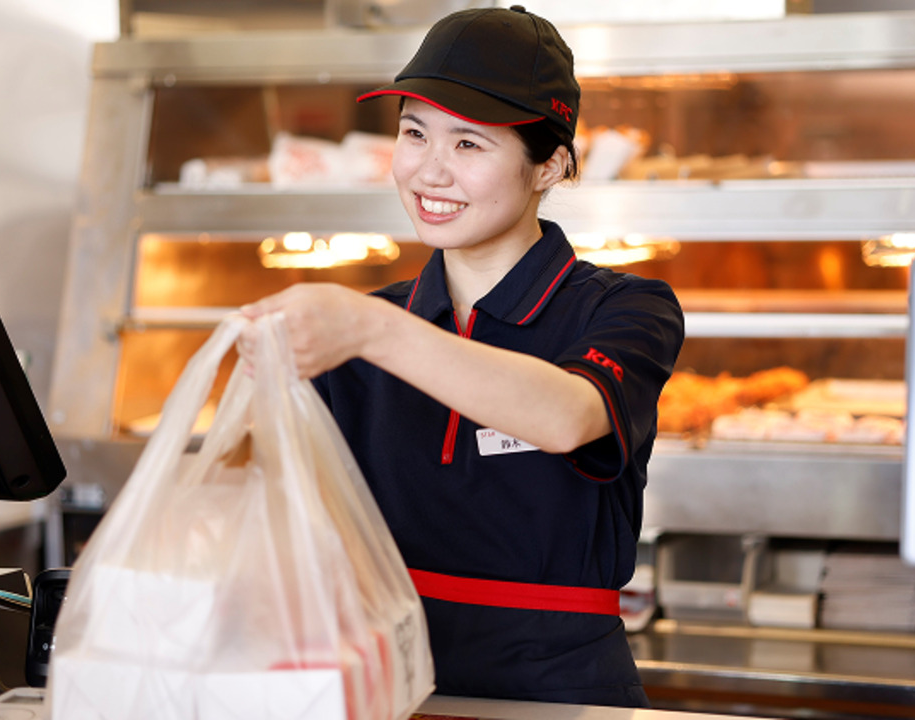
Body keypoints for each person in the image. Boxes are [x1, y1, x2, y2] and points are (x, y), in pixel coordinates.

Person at [239, 5, 684, 708]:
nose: (430, 171)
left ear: (552, 165)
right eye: (414, 134)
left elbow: (568, 416)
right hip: (383, 678)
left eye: (469, 145)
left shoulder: (624, 308)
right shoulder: (360, 325)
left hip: (558, 689)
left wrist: (370, 331)